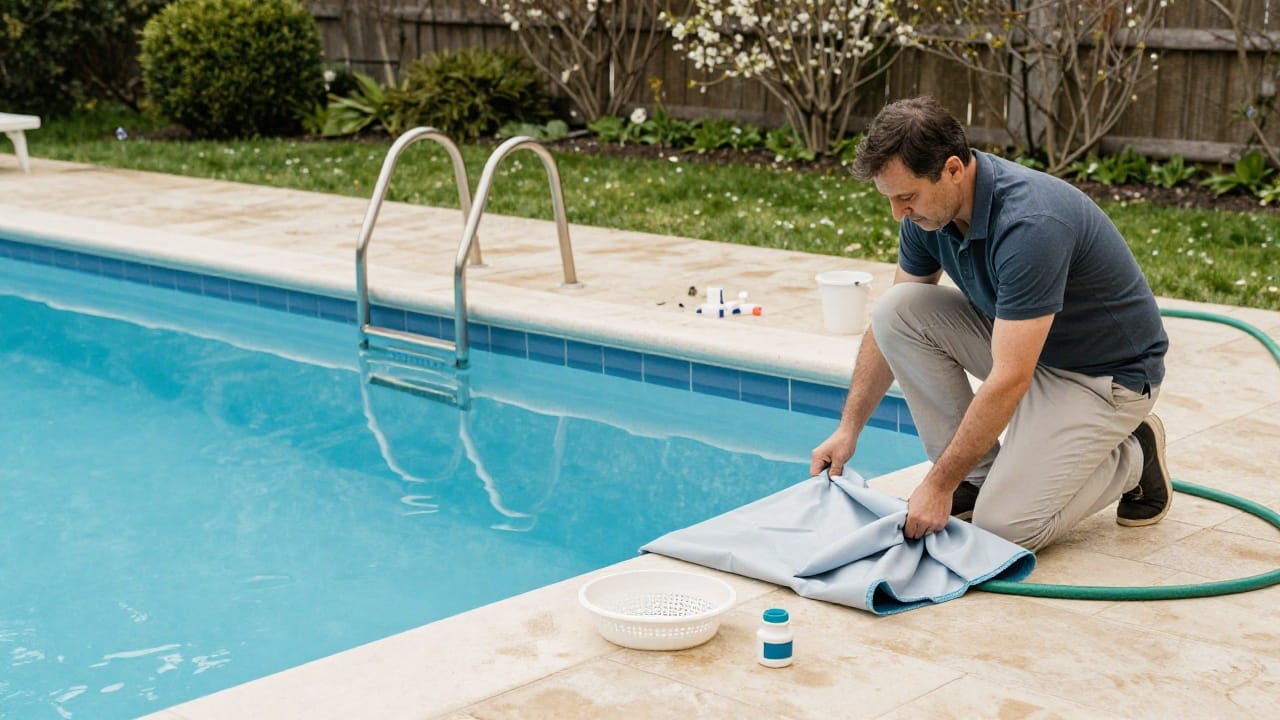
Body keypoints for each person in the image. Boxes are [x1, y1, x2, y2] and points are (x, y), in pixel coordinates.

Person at [809, 96, 1171, 551]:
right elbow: (891, 328)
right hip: (1029, 352)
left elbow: (1009, 378)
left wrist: (938, 485)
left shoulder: (1030, 224)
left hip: (1103, 377)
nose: (898, 213)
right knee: (896, 309)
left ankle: (1133, 454)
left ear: (954, 170)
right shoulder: (926, 218)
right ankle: (977, 480)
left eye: (906, 196)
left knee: (1004, 530)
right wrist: (849, 430)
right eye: (891, 199)